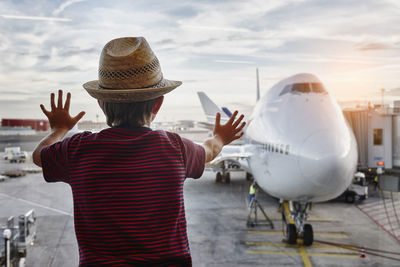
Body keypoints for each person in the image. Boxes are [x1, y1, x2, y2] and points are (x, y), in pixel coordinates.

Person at [32, 37, 246, 267]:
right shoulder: (175, 147)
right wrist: (220, 137)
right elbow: (209, 151)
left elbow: (39, 156)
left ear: (101, 104)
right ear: (158, 104)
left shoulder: (78, 150)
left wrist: (59, 129)